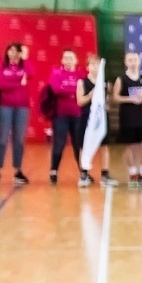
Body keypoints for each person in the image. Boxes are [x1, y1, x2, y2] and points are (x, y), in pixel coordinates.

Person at [0, 43, 30, 185]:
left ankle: (18, 170)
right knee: (1, 139)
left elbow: (31, 72)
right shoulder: (0, 67)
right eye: (10, 50)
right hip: (4, 107)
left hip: (22, 107)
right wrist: (19, 84)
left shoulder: (23, 66)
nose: (13, 53)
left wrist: (25, 59)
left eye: (16, 51)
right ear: (6, 52)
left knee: (19, 140)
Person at [113, 49, 142, 186]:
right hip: (127, 116)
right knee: (129, 145)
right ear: (126, 62)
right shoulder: (121, 79)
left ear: (139, 61)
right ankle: (132, 172)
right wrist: (130, 99)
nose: (133, 62)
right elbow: (116, 97)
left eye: (135, 60)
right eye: (130, 60)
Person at [75, 54, 114, 188]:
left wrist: (107, 104)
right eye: (92, 64)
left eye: (97, 64)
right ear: (87, 67)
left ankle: (105, 174)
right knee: (84, 145)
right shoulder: (82, 82)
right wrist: (90, 95)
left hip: (101, 118)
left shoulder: (105, 83)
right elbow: (80, 101)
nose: (95, 67)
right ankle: (84, 173)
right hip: (87, 117)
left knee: (104, 145)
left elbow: (108, 100)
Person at [47, 49, 84, 185]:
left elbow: (85, 90)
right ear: (62, 60)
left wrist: (68, 91)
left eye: (71, 58)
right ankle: (54, 171)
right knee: (59, 143)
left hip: (77, 114)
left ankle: (83, 172)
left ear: (76, 60)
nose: (68, 61)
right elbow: (56, 89)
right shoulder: (56, 73)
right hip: (60, 114)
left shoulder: (80, 74)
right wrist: (74, 91)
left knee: (78, 144)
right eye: (66, 58)